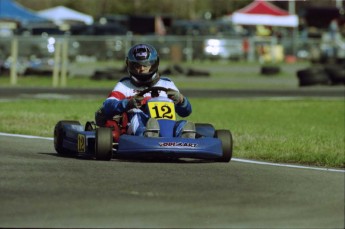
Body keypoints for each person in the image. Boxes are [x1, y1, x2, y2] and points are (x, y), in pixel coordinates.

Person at [95, 43, 195, 139]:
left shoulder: (167, 84)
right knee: (138, 118)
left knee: (182, 124)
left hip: (167, 123)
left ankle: (184, 135)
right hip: (137, 122)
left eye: (146, 65)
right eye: (137, 66)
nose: (142, 69)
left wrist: (181, 100)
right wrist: (128, 104)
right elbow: (107, 106)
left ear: (154, 64)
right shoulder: (125, 85)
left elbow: (186, 112)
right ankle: (147, 134)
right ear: (130, 65)